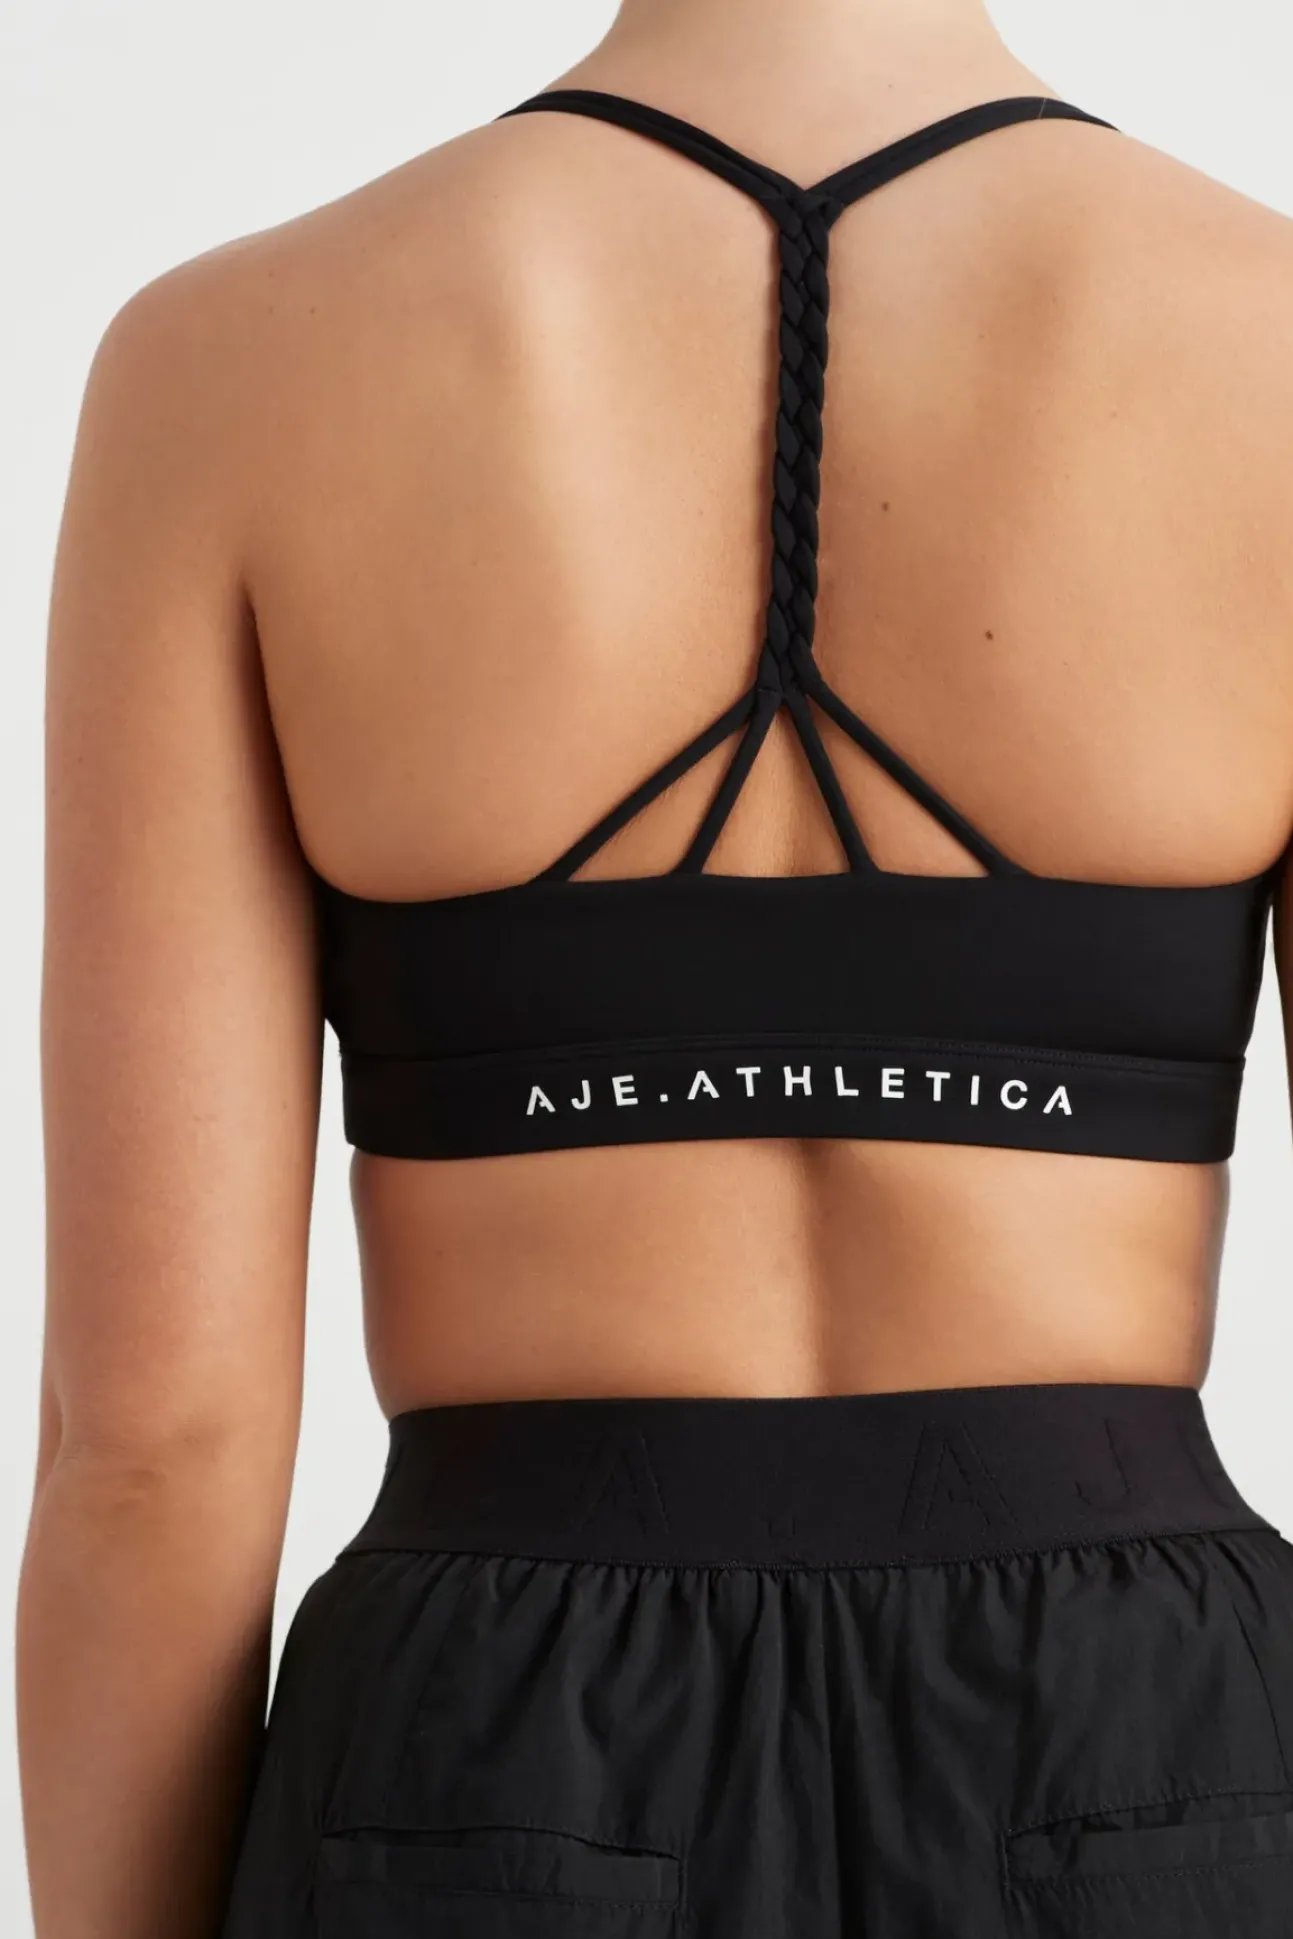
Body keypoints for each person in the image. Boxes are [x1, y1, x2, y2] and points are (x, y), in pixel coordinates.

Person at [21, 0, 1293, 1932]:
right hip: (1154, 1755)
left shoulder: (231, 367)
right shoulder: (1259, 341)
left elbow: (153, 1451)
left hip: (483, 1762)